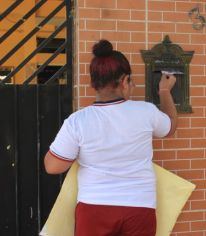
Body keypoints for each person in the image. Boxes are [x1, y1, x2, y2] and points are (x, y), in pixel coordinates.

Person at [44, 39, 177, 236]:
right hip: (140, 206)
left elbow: (52, 166)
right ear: (124, 81)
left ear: (93, 83)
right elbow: (170, 126)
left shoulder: (78, 121)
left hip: (94, 207)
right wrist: (165, 91)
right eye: (130, 81)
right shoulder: (146, 112)